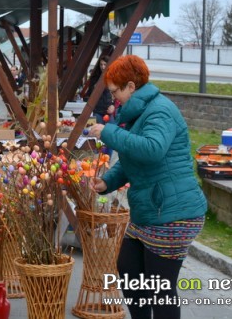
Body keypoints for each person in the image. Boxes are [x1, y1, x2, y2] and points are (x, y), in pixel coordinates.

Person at [88, 55, 207, 319]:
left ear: (131, 86)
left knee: (160, 289)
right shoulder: (138, 112)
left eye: (115, 92)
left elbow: (152, 150)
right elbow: (133, 158)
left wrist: (108, 132)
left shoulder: (159, 110)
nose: (114, 99)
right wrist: (108, 181)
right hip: (151, 209)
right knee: (129, 270)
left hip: (173, 213)